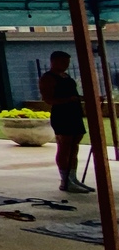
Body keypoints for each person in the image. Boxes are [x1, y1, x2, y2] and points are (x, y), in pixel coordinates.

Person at [39, 51, 94, 193]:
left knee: (74, 146)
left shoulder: (66, 76)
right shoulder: (48, 78)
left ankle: (73, 177)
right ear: (53, 61)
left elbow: (74, 95)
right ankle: (65, 180)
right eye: (63, 62)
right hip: (62, 115)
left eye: (67, 62)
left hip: (74, 113)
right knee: (64, 146)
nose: (66, 65)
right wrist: (67, 100)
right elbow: (48, 99)